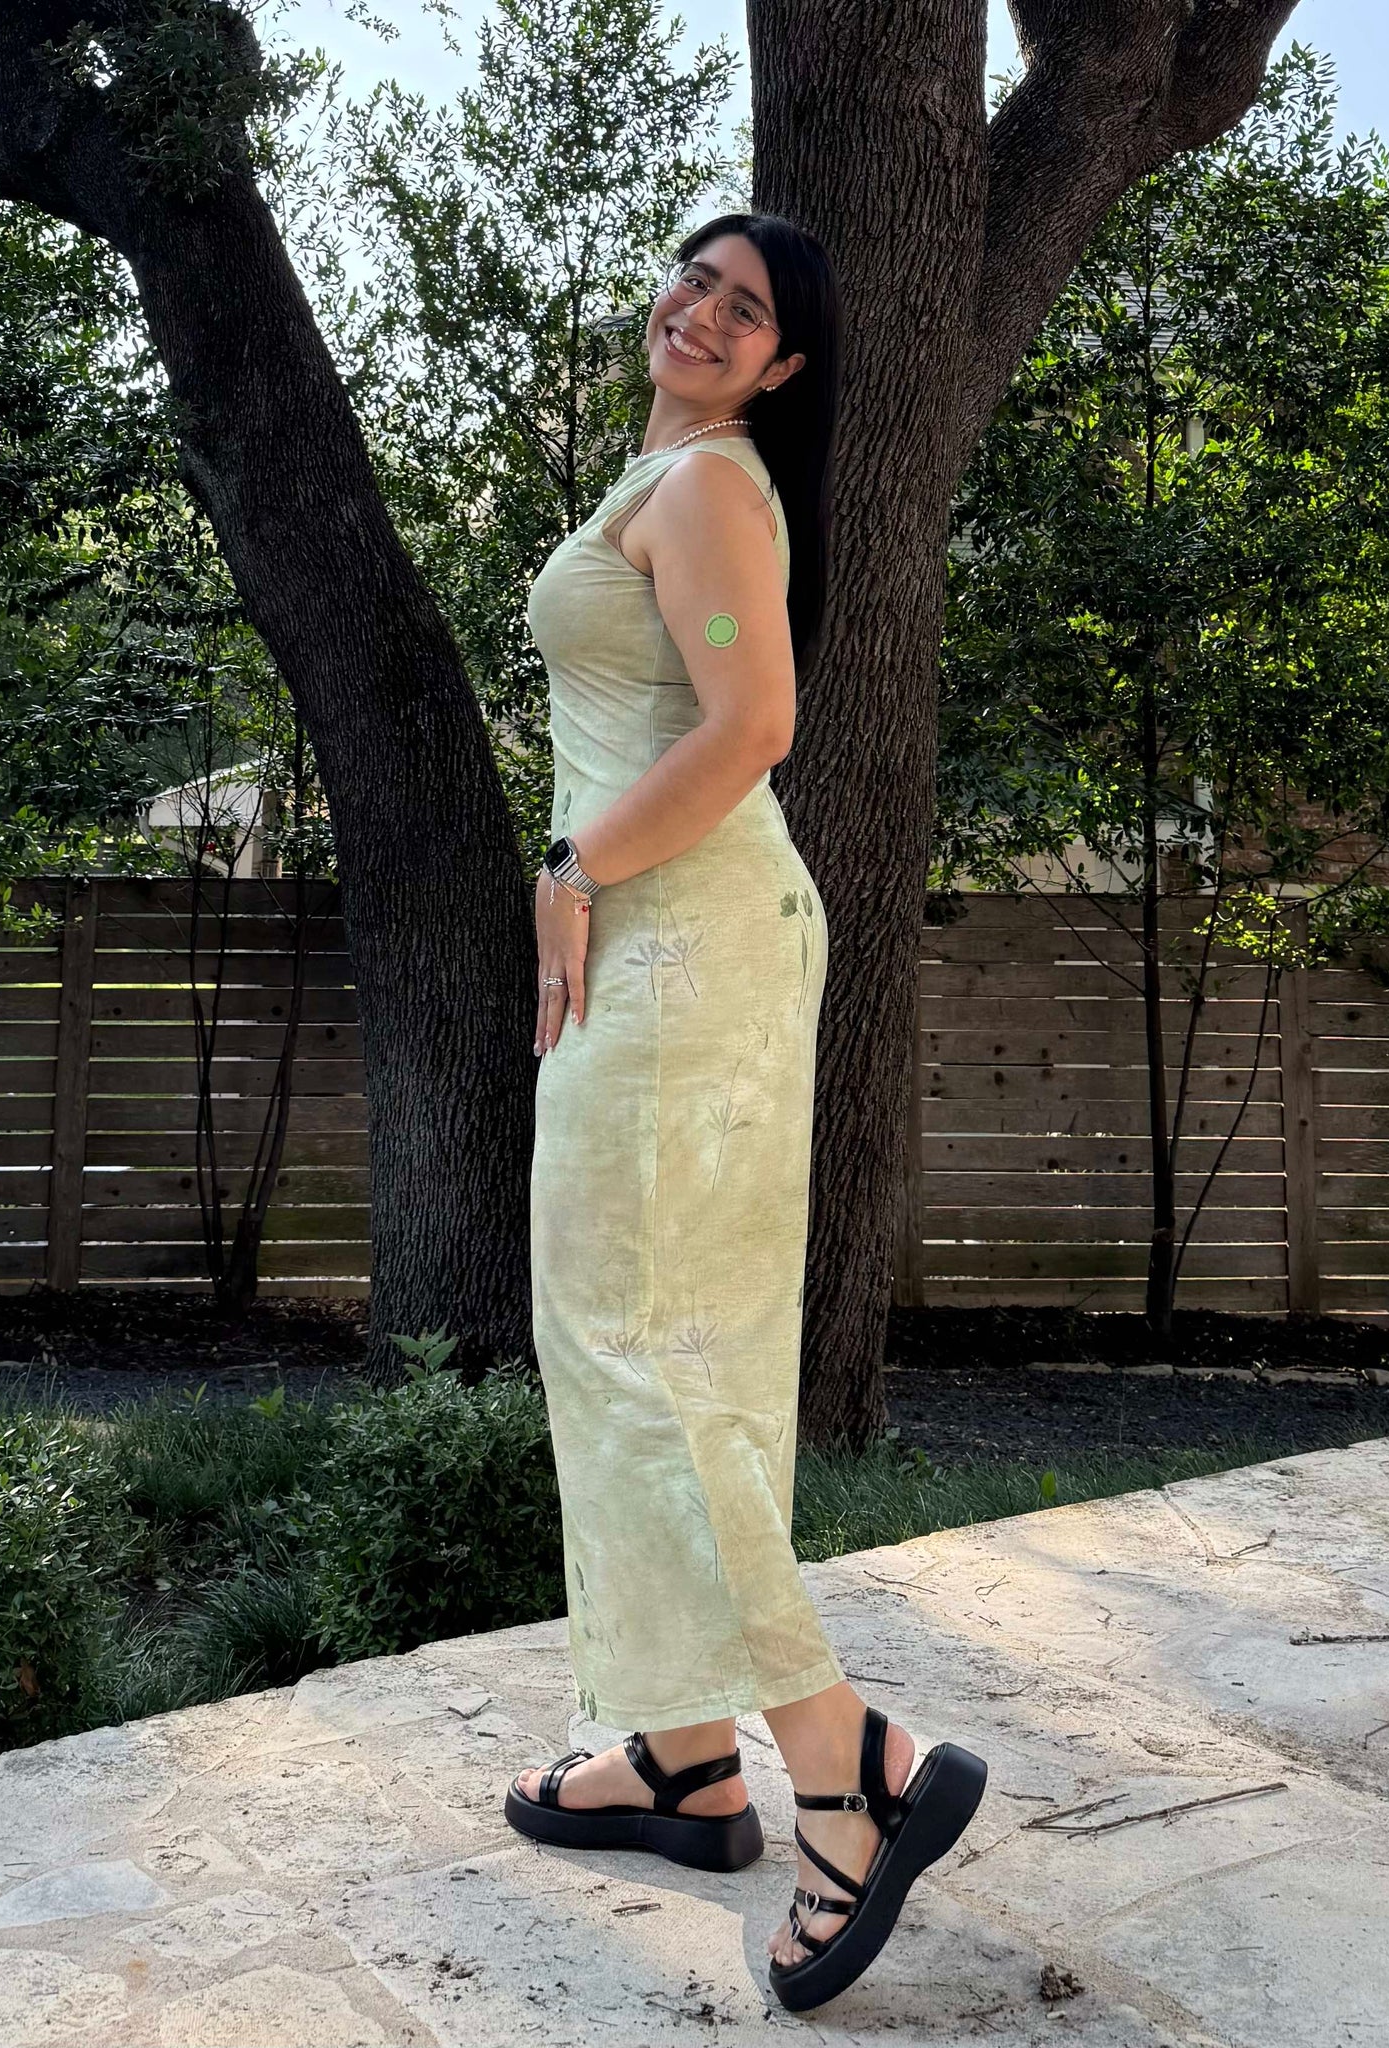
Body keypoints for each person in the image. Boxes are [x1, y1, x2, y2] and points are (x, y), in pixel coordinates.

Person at [502, 211, 988, 2014]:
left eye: (749, 307)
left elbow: (755, 720)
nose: (704, 312)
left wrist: (574, 865)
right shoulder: (674, 478)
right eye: (695, 279)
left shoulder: (710, 480)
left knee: (634, 1349)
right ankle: (681, 1756)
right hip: (678, 938)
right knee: (657, 1342)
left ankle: (845, 1766)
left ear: (785, 366)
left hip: (681, 946)